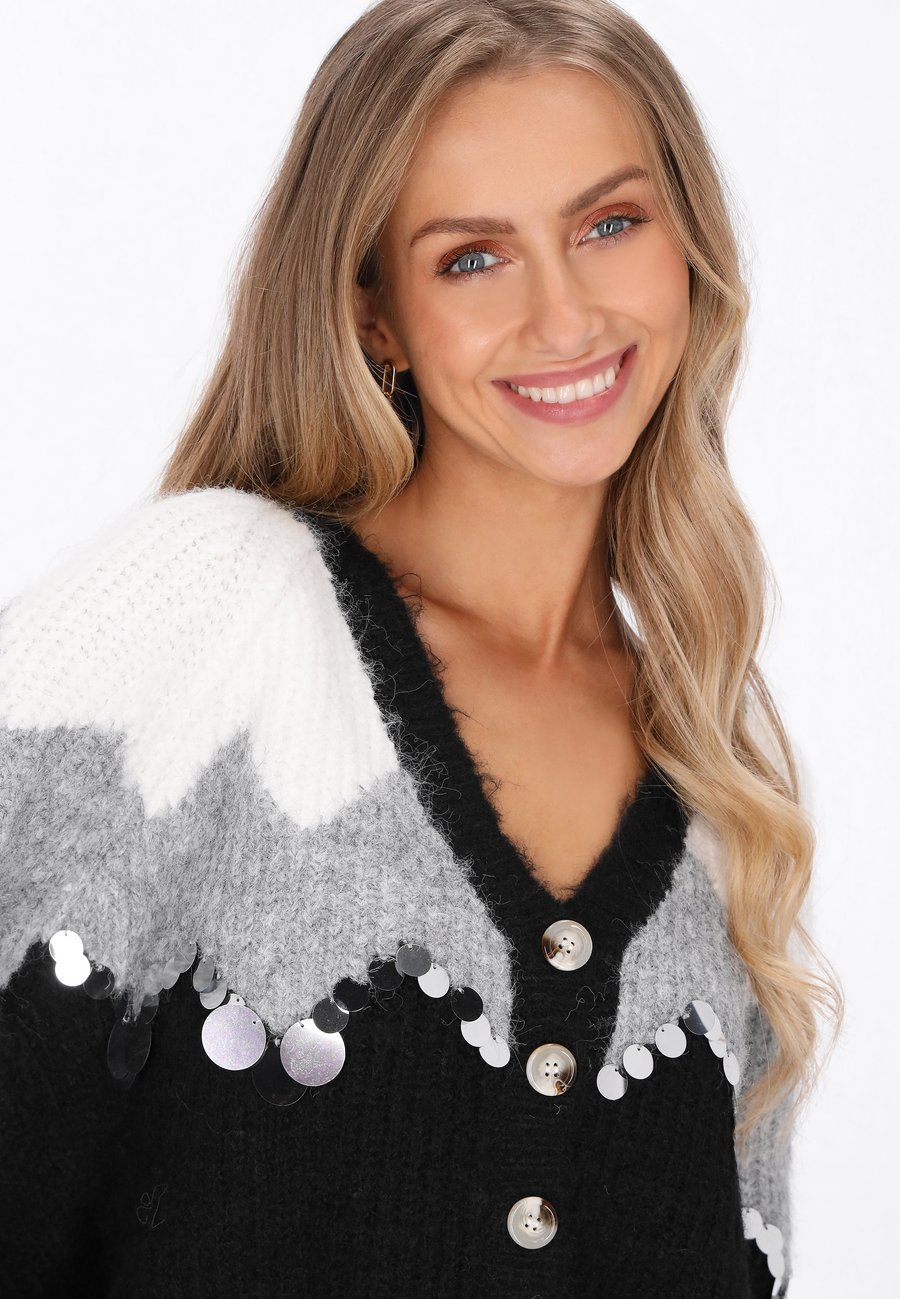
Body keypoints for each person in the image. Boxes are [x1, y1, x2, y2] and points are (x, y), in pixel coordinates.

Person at [0, 2, 842, 1295]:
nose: (565, 315)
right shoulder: (206, 623)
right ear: (375, 315)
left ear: (688, 247)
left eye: (610, 224)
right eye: (472, 258)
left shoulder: (721, 784)